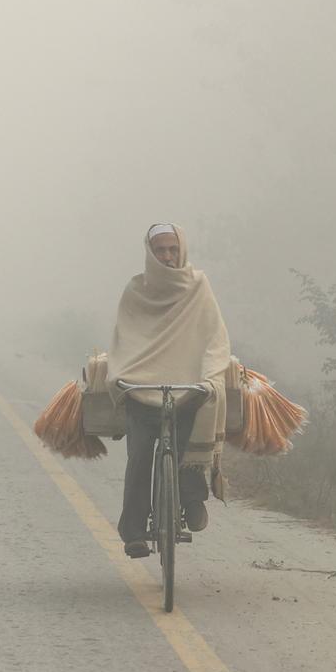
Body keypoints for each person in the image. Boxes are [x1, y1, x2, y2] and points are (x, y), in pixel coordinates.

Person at [106, 224, 232, 559]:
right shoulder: (135, 290)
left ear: (182, 250)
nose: (167, 256)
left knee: (187, 444)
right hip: (140, 387)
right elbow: (125, 341)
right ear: (150, 253)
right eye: (160, 250)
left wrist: (209, 379)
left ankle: (192, 499)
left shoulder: (198, 286)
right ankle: (134, 532)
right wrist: (121, 377)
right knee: (139, 458)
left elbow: (215, 339)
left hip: (187, 388)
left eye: (172, 249)